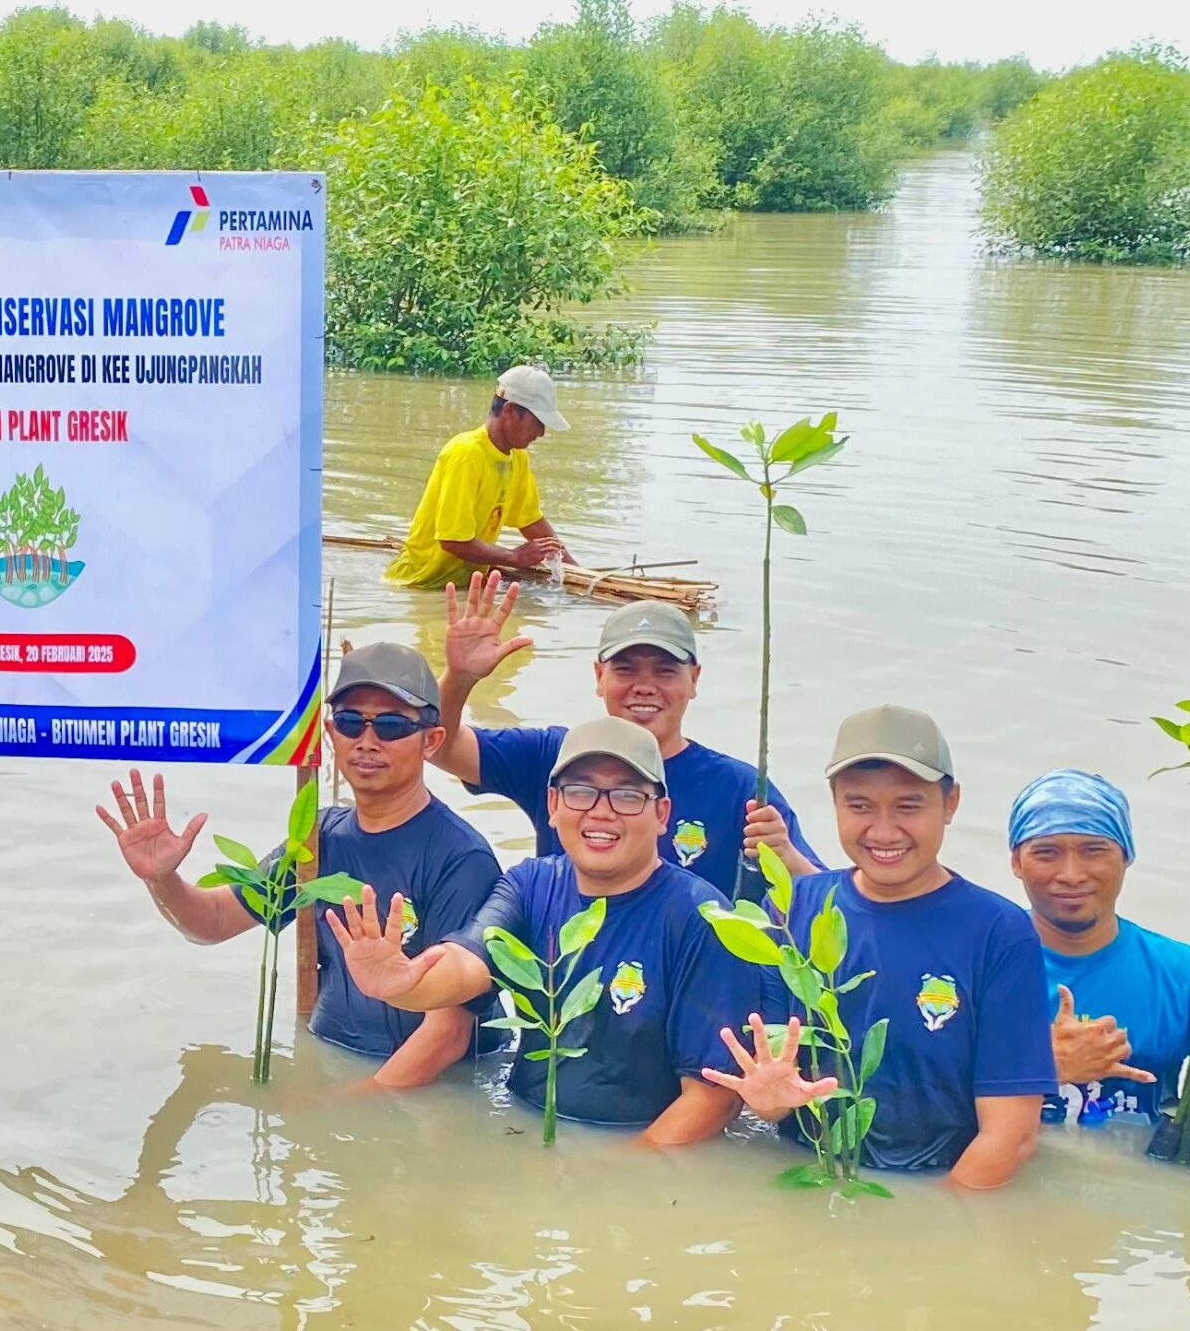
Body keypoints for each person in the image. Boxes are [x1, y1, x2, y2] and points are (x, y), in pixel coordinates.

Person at [325, 717, 758, 1141]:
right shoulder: (530, 885)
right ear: (553, 806)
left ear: (661, 813)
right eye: (581, 792)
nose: (601, 812)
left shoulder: (702, 917)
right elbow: (467, 965)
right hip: (525, 1124)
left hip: (637, 1144)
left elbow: (714, 1097)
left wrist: (622, 1175)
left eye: (627, 795)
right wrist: (401, 985)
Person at [95, 642, 505, 1088]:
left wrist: (336, 1114)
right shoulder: (318, 836)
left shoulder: (462, 859)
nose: (367, 741)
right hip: (333, 1056)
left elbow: (448, 1036)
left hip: (427, 1084)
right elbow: (211, 923)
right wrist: (163, 880)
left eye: (390, 726)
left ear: (432, 740)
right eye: (351, 722)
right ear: (330, 732)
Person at [703, 705, 1053, 1189]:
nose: (883, 832)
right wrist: (768, 1102)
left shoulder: (999, 932)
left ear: (950, 803)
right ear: (835, 804)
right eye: (860, 806)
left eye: (909, 807)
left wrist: (921, 1228)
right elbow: (776, 1086)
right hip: (809, 1173)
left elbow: (1010, 1136)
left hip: (940, 1183)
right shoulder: (791, 909)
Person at [433, 575, 820, 900]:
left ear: (695, 680)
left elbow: (831, 903)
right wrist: (460, 678)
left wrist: (786, 858)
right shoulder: (556, 756)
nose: (644, 687)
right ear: (599, 677)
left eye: (665, 671)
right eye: (626, 669)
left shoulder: (740, 789)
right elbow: (440, 746)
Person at [1007, 768, 1190, 1129]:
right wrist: (1047, 1068)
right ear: (1016, 863)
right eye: (1047, 853)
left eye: (1093, 850)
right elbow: (927, 1107)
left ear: (1126, 857)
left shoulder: (1188, 976)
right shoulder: (977, 962)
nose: (1071, 874)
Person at [382, 365, 577, 589]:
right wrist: (513, 556)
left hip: (462, 584)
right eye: (538, 423)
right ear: (510, 411)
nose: (541, 433)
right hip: (419, 584)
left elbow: (530, 520)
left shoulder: (517, 457)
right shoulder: (465, 453)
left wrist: (575, 570)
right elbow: (452, 540)